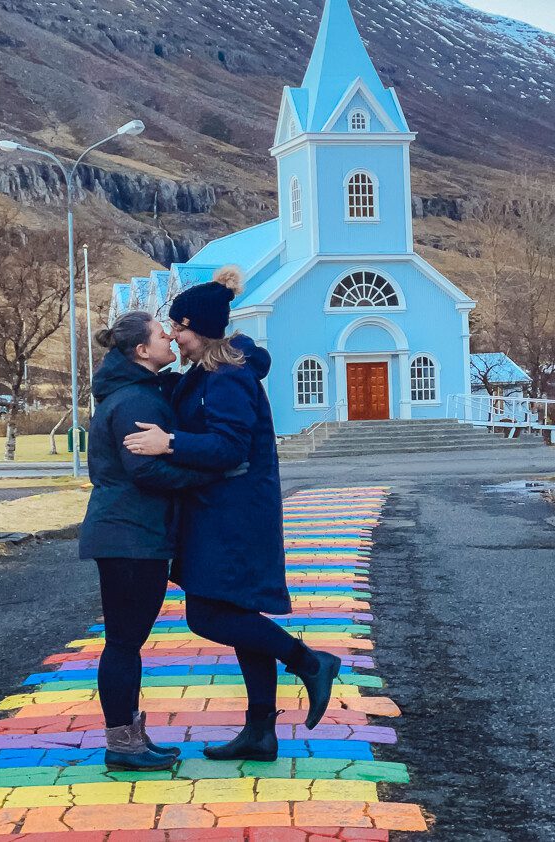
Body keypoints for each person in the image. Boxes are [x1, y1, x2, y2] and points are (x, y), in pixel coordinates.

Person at [124, 267, 341, 762]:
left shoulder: (227, 377)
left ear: (195, 329)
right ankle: (260, 732)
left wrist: (169, 442)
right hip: (219, 509)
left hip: (235, 514)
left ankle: (309, 661)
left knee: (208, 614)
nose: (173, 336)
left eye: (177, 327)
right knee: (239, 614)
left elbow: (229, 445)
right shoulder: (207, 374)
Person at [79, 311, 221, 772]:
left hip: (131, 533)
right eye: (163, 335)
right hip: (129, 536)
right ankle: (122, 744)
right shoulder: (136, 402)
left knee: (127, 640)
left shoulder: (135, 394)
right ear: (142, 351)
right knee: (123, 641)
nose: (169, 340)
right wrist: (206, 474)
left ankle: (131, 736)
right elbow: (146, 468)